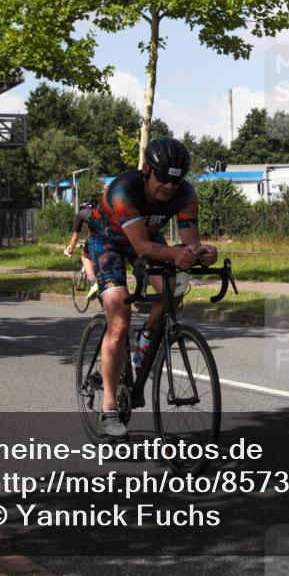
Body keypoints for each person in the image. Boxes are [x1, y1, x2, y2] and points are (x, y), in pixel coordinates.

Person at [88, 138, 217, 438]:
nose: (169, 187)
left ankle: (147, 336)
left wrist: (204, 253)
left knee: (174, 287)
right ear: (147, 170)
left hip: (145, 239)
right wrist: (178, 253)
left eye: (176, 180)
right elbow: (142, 247)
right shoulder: (124, 191)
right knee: (119, 316)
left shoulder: (186, 195)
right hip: (107, 241)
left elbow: (189, 244)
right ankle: (108, 407)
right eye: (163, 179)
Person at [65, 198, 99, 301]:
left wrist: (70, 249)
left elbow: (75, 236)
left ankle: (93, 283)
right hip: (112, 237)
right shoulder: (98, 211)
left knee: (84, 255)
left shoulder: (81, 214)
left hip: (98, 240)